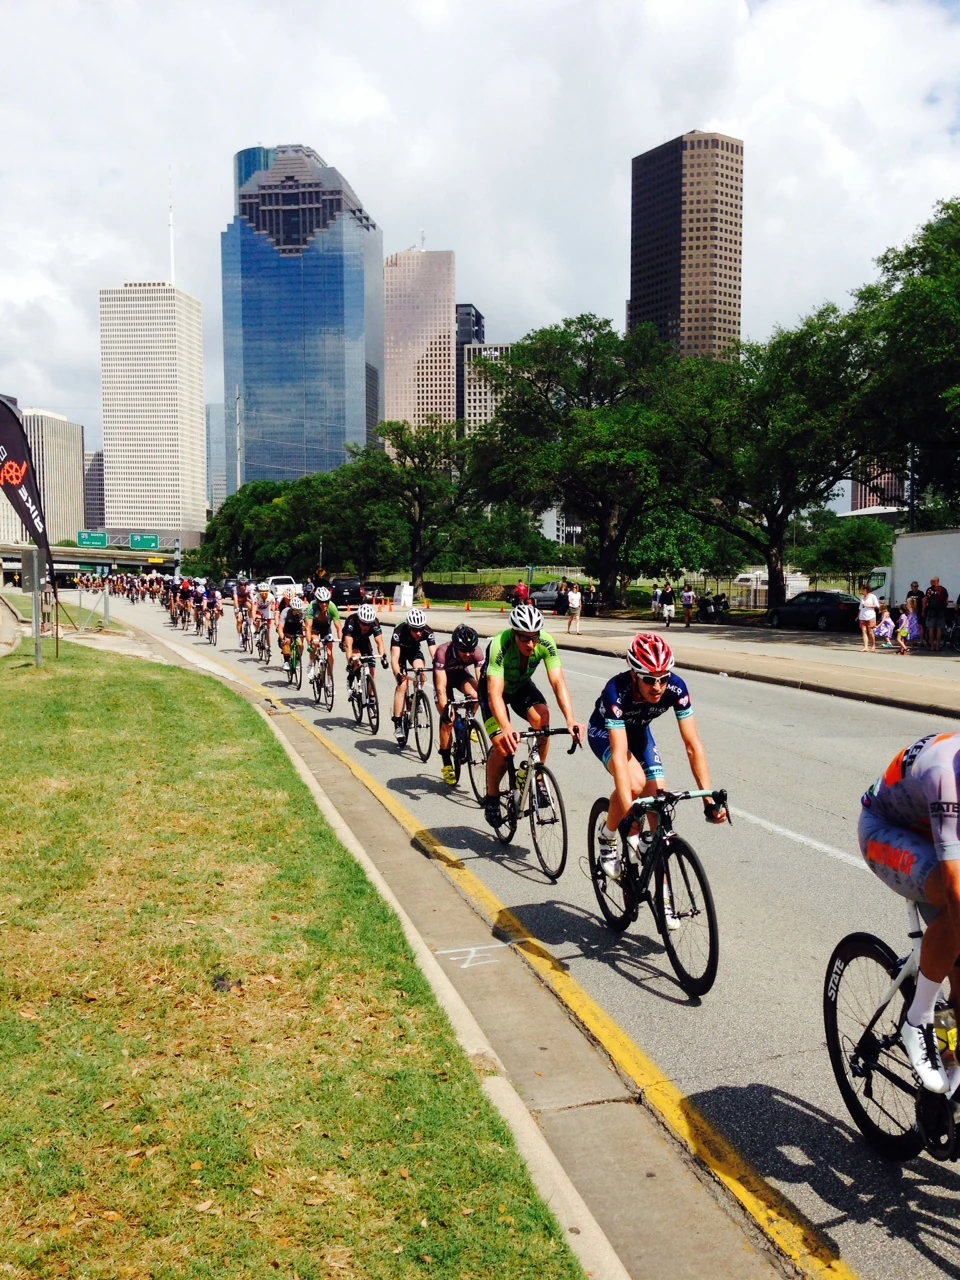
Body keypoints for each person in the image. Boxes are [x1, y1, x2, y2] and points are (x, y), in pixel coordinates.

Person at [858, 733, 960, 1093]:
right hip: (885, 831)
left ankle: (953, 1071)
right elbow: (955, 894)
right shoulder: (944, 772)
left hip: (933, 832)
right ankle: (917, 1020)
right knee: (956, 907)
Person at [588, 633, 727, 882]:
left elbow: (693, 746)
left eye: (663, 679)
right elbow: (620, 756)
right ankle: (607, 835)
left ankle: (664, 897)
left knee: (659, 801)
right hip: (606, 732)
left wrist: (708, 800)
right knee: (634, 783)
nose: (657, 687)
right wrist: (628, 809)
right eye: (649, 680)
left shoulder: (676, 688)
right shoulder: (616, 691)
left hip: (640, 732)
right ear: (634, 675)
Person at [479, 603, 584, 827]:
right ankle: (492, 796)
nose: (530, 643)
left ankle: (535, 776)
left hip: (520, 686)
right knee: (503, 746)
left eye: (534, 637)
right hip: (494, 691)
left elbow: (557, 681)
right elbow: (494, 693)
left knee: (543, 718)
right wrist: (506, 727)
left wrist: (571, 718)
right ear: (514, 634)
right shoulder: (500, 644)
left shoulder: (545, 642)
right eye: (524, 638)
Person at [433, 623, 484, 785]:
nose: (469, 654)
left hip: (460, 675)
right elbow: (440, 687)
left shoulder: (476, 652)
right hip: (444, 680)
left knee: (477, 695)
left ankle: (468, 721)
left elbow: (482, 680)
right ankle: (447, 763)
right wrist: (446, 707)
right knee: (448, 719)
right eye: (464, 651)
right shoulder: (442, 653)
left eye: (471, 650)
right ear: (455, 646)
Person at [390, 607, 438, 743]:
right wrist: (398, 674)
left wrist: (439, 668)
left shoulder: (427, 631)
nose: (418, 633)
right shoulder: (399, 631)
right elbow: (394, 657)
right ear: (409, 626)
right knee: (402, 685)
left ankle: (415, 698)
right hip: (400, 653)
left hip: (413, 652)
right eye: (415, 629)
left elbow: (435, 654)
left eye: (420, 629)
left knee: (420, 670)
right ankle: (398, 723)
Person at [342, 602, 388, 692]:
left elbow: (380, 642)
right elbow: (348, 645)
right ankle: (351, 675)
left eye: (368, 624)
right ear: (359, 620)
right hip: (351, 641)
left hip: (364, 641)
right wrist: (350, 662)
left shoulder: (375, 622)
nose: (366, 626)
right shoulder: (351, 621)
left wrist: (383, 658)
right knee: (356, 657)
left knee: (372, 670)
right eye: (363, 623)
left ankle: (371, 698)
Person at [305, 586, 343, 681]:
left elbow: (338, 627)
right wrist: (309, 641)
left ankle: (329, 680)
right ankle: (311, 664)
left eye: (326, 601)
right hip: (315, 627)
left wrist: (341, 641)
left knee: (330, 654)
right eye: (321, 602)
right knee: (315, 643)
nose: (324, 604)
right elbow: (308, 627)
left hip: (326, 628)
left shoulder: (332, 607)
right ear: (317, 601)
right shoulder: (312, 606)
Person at [278, 596, 307, 670]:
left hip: (297, 628)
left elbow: (307, 626)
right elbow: (280, 628)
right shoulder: (285, 611)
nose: (297, 612)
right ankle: (286, 661)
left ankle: (298, 660)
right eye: (295, 610)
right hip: (288, 628)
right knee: (287, 642)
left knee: (300, 644)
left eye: (299, 610)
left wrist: (307, 635)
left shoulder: (303, 612)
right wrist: (282, 638)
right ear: (291, 608)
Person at [924, 577, 949, 652]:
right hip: (941, 612)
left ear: (935, 581)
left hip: (931, 612)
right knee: (939, 629)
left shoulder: (930, 589)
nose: (930, 582)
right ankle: (938, 646)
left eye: (931, 581)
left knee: (931, 629)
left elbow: (926, 600)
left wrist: (924, 610)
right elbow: (946, 601)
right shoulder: (943, 589)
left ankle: (932, 646)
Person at [858, 583, 881, 652]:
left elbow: (877, 605)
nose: (861, 591)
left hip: (870, 616)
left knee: (870, 632)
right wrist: (858, 616)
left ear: (865, 589)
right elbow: (860, 608)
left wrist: (868, 606)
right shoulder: (862, 598)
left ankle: (873, 645)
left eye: (862, 589)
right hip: (862, 616)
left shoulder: (872, 596)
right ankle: (866, 647)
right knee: (864, 631)